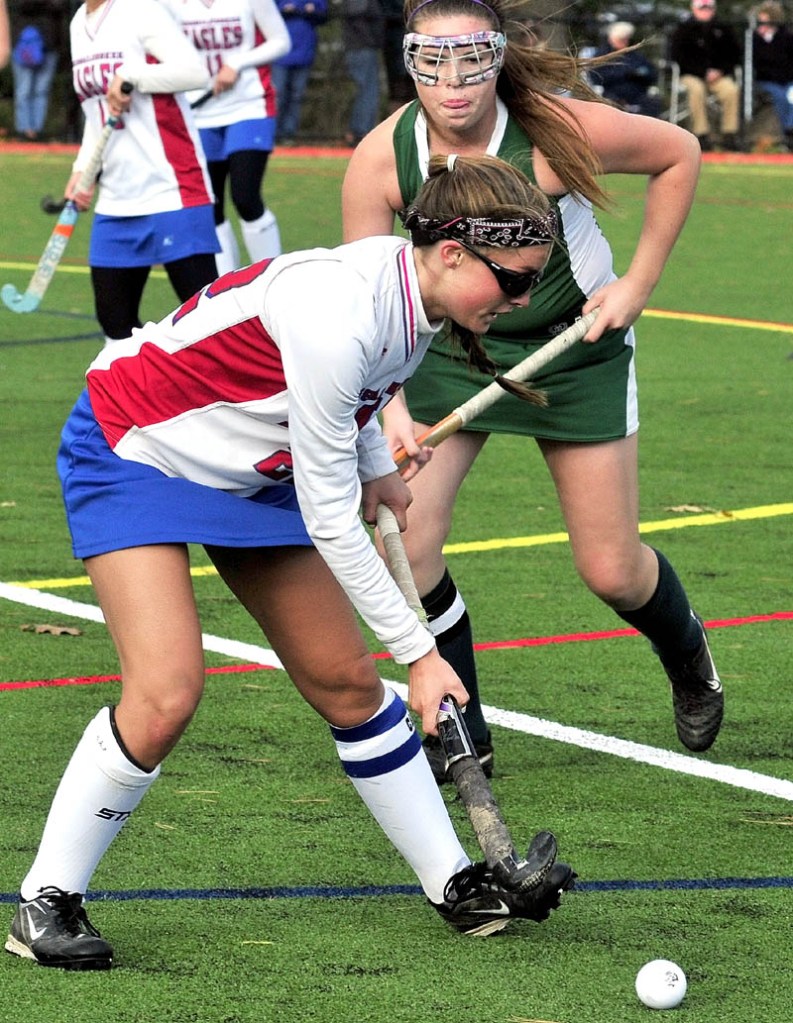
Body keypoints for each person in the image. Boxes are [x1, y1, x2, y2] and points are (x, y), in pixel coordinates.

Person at [4, 153, 576, 970]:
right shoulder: (336, 309)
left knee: (344, 681)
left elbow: (362, 393)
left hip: (254, 462)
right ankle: (45, 899)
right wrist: (420, 654)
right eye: (513, 282)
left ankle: (454, 878)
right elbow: (328, 512)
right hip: (138, 446)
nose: (520, 301)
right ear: (451, 252)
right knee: (166, 691)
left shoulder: (416, 297)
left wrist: (376, 460)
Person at [342, 0, 724, 785]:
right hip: (450, 349)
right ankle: (462, 729)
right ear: (406, 58)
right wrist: (394, 410)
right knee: (407, 549)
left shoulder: (554, 129)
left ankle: (685, 650)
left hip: (571, 349)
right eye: (432, 59)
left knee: (611, 568)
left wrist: (636, 285)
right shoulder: (381, 158)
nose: (452, 80)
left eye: (471, 58)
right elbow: (364, 299)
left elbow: (679, 152)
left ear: (497, 55)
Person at [66, 0, 219, 345]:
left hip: (172, 189)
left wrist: (133, 76)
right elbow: (97, 109)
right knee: (115, 324)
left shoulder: (140, 9)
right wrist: (82, 169)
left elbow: (195, 72)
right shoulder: (78, 23)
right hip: (117, 200)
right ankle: (139, 398)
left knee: (210, 323)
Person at [161, 0, 291, 276]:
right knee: (211, 206)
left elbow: (281, 41)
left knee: (245, 196)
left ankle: (274, 279)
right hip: (199, 112)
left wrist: (237, 62)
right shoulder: (170, 4)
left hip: (249, 105)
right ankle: (225, 290)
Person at [669, 0, 743, 152]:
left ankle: (729, 134)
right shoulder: (683, 30)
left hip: (718, 76)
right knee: (696, 90)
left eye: (709, 7)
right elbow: (678, 57)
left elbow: (734, 55)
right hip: (692, 75)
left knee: (731, 90)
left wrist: (720, 71)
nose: (706, 10)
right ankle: (701, 134)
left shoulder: (723, 29)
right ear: (694, 9)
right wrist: (702, 72)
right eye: (702, 7)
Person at [272, 0, 328, 145]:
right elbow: (267, 14)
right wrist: (286, 11)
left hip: (305, 52)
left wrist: (311, 11)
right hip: (281, 55)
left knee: (297, 96)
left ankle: (288, 135)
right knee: (278, 95)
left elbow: (323, 16)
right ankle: (272, 133)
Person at [9, 0, 67, 141]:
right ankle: (24, 130)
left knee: (41, 90)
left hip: (49, 44)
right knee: (24, 90)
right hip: (24, 44)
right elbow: (22, 5)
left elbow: (60, 6)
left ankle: (36, 131)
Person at [589, 21, 662, 118]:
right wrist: (624, 73)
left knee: (653, 103)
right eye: (621, 39)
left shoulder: (635, 55)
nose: (625, 42)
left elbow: (652, 73)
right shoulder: (602, 55)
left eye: (626, 39)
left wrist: (640, 74)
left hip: (638, 94)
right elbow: (596, 76)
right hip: (612, 93)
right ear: (612, 38)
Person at [340, 0, 385, 146]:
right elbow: (356, 14)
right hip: (361, 47)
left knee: (367, 89)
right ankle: (360, 131)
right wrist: (373, 40)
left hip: (361, 46)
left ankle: (360, 130)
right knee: (368, 90)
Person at [751, 0, 793, 151]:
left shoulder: (786, 37)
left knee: (791, 96)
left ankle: (789, 128)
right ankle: (788, 132)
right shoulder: (755, 39)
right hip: (766, 81)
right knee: (780, 96)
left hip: (786, 81)